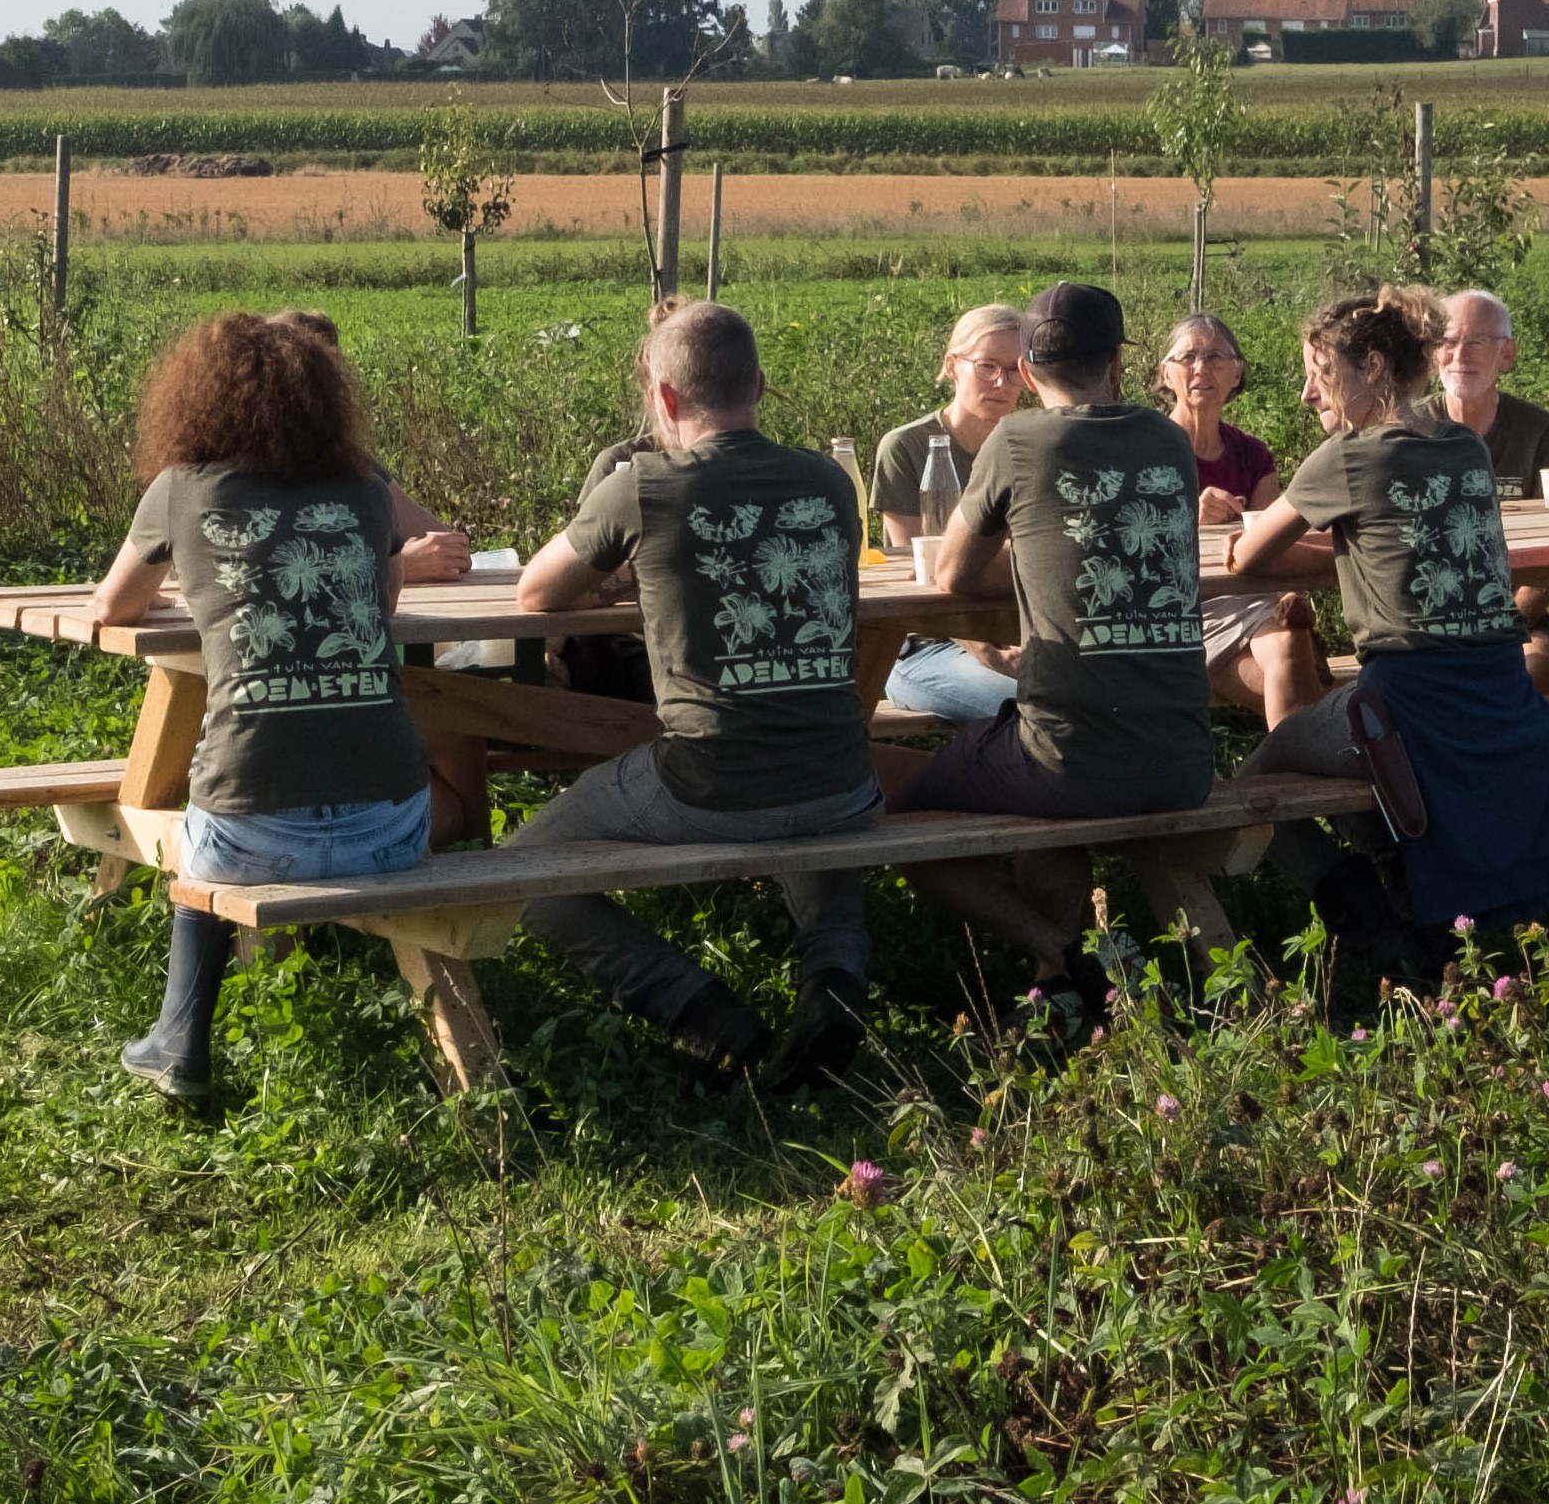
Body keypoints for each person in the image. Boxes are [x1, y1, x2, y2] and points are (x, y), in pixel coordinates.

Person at [506, 303, 884, 1089]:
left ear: (665, 397)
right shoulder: (826, 481)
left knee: (523, 867)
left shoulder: (643, 484)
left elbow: (536, 591)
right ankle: (834, 982)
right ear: (760, 385)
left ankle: (705, 1014)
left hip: (709, 783)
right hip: (845, 778)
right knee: (813, 797)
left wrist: (618, 578)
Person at [1232, 288, 1549, 1020]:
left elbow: (1250, 556)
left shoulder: (1345, 456)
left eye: (1319, 372)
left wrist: (1316, 539)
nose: (1309, 393)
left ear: (1373, 366)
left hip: (1406, 703)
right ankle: (1411, 898)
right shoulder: (1464, 446)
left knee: (1257, 779)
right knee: (1370, 770)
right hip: (1498, 693)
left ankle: (1376, 931)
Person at [89, 312, 434, 1102]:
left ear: (196, 398)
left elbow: (113, 606)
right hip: (391, 834)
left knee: (198, 814)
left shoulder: (181, 489)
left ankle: (180, 1038)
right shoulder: (365, 489)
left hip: (249, 839)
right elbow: (380, 605)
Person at [909, 282, 1217, 1028]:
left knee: (902, 818)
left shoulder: (1016, 441)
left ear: (1025, 370)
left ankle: (1064, 953)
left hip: (1067, 761)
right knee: (1041, 767)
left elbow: (951, 574)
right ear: (1117, 364)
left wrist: (1037, 561)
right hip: (1186, 762)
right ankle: (1060, 983)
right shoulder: (1167, 440)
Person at [1154, 313, 1326, 725]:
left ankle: (1295, 754)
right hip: (1183, 610)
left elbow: (1271, 542)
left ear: (1236, 373)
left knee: (1288, 646)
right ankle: (1307, 750)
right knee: (1302, 676)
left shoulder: (1253, 455)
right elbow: (1131, 550)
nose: (1201, 368)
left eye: (1215, 357)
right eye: (1188, 357)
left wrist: (1289, 594)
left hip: (1252, 600)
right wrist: (1190, 520)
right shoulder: (1145, 450)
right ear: (1166, 373)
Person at [869, 304, 1037, 723]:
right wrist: (983, 648)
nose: (1001, 382)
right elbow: (922, 574)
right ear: (952, 366)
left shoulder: (1034, 446)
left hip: (1026, 634)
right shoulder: (906, 447)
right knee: (1036, 712)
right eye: (986, 366)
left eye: (1014, 369)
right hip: (929, 645)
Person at [1425, 289, 1549, 694]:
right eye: (1448, 342)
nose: (1460, 355)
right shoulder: (1406, 432)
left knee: (1535, 672)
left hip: (1516, 616)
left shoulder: (1540, 432)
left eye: (1477, 342)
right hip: (1426, 621)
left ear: (1507, 354)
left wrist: (1500, 626)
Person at [264, 310, 478, 584]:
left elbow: (450, 552)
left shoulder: (346, 463)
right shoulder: (230, 474)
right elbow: (253, 574)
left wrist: (404, 561)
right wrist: (398, 567)